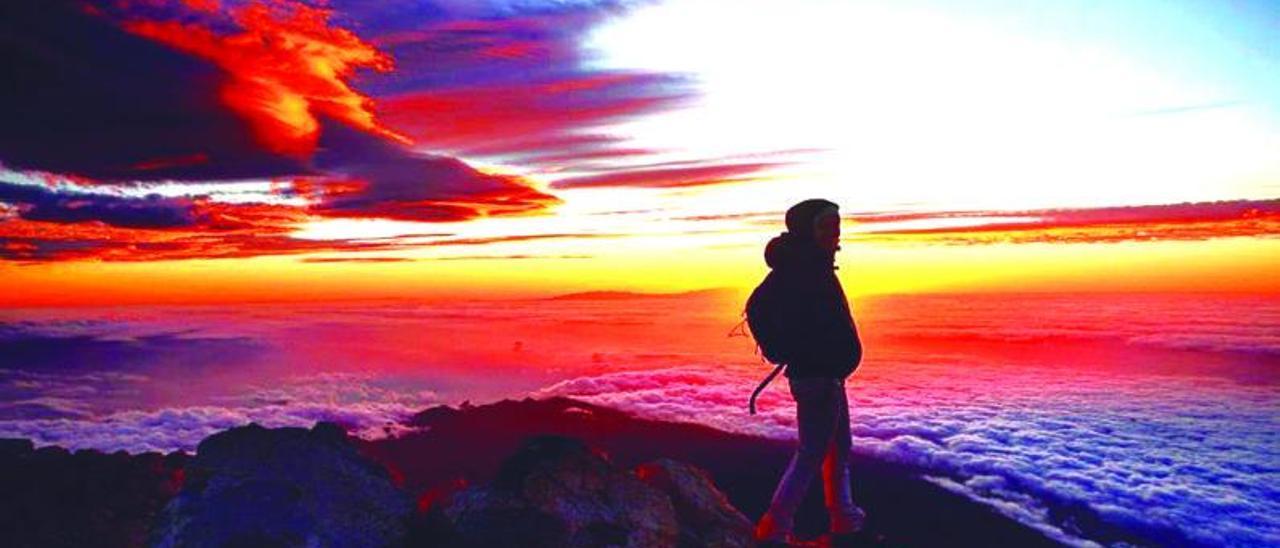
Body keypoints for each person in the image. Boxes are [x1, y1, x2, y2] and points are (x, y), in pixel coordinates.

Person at [754, 198, 866, 546]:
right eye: (827, 225)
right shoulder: (808, 272)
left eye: (836, 224)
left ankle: (843, 515)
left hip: (825, 376)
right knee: (813, 452)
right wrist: (817, 356)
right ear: (808, 231)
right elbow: (816, 325)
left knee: (838, 447)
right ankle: (775, 526)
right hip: (819, 377)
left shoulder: (805, 266)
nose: (835, 232)